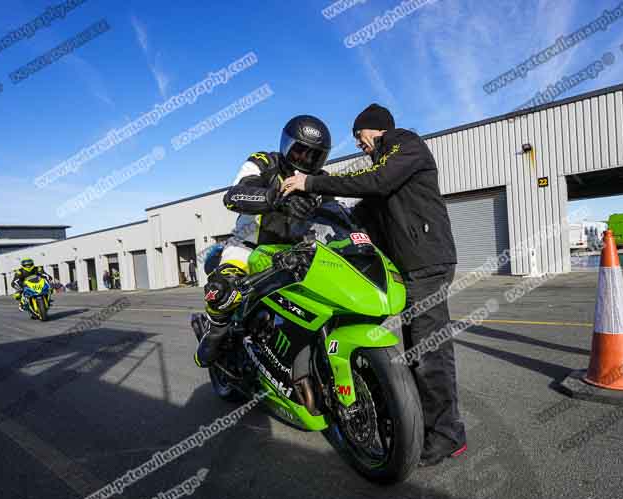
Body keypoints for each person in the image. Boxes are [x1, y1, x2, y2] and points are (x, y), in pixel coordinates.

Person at [282, 103, 466, 467]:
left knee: (430, 354)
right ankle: (418, 422)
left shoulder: (404, 144)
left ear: (374, 129)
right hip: (410, 267)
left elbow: (376, 181)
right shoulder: (384, 173)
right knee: (416, 351)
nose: (358, 144)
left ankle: (447, 436)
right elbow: (357, 215)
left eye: (359, 136)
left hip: (427, 262)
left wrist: (312, 181)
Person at [193, 115, 331, 369]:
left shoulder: (320, 180)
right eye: (299, 152)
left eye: (313, 156)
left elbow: (338, 211)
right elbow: (234, 194)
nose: (304, 160)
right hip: (247, 248)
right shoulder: (264, 161)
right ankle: (215, 331)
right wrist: (277, 198)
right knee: (223, 291)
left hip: (296, 253)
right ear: (286, 145)